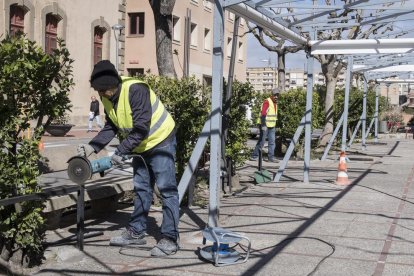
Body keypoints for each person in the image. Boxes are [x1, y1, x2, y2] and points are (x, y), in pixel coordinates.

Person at [77, 60, 179, 257]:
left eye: (104, 90)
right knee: (141, 188)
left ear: (114, 84)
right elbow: (111, 126)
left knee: (167, 190)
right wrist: (93, 146)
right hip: (140, 145)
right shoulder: (106, 96)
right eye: (98, 90)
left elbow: (141, 128)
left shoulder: (136, 90)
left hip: (161, 140)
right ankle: (136, 231)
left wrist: (120, 152)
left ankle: (170, 239)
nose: (101, 94)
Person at [250, 87, 279, 163]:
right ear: (272, 95)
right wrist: (263, 125)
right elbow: (263, 114)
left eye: (277, 95)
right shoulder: (267, 102)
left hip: (272, 125)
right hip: (265, 125)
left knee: (272, 142)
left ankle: (271, 158)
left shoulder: (275, 103)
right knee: (262, 141)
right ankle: (255, 156)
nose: (276, 97)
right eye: (275, 95)